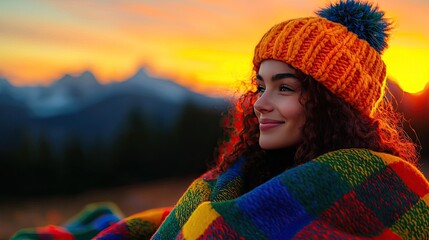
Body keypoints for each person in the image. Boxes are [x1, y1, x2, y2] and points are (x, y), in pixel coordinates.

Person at [12, 0, 429, 239]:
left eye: (284, 88)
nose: (260, 103)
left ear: (333, 106)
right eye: (260, 86)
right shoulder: (236, 181)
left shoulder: (390, 194)